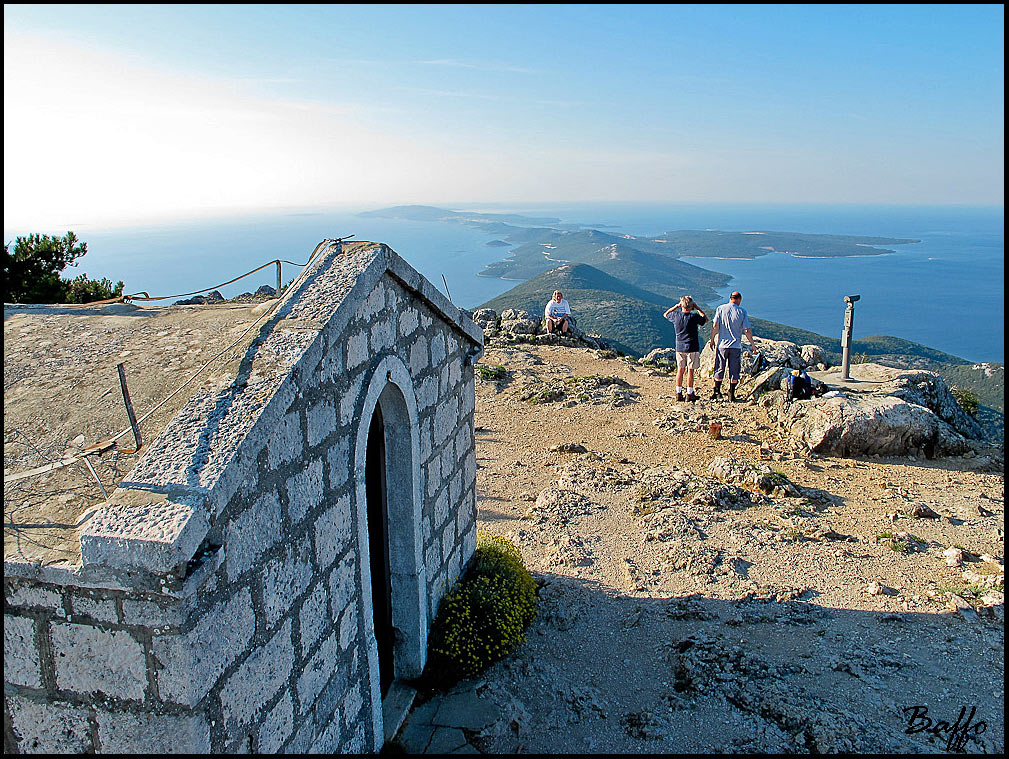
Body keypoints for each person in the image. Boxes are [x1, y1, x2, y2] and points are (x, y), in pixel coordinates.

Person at [709, 291, 756, 402]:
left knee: (719, 367)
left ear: (730, 298)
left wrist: (712, 340)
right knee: (734, 370)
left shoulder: (720, 308)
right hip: (736, 345)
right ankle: (731, 393)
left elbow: (715, 326)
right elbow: (747, 330)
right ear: (739, 299)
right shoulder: (742, 311)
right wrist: (753, 345)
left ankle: (717, 391)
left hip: (722, 345)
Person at [663, 295, 707, 402]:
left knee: (680, 370)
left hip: (680, 347)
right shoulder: (694, 317)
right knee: (690, 371)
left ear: (681, 305)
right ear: (691, 306)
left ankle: (678, 393)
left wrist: (677, 306)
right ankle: (689, 393)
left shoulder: (676, 316)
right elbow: (705, 319)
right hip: (692, 346)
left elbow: (666, 314)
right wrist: (698, 308)